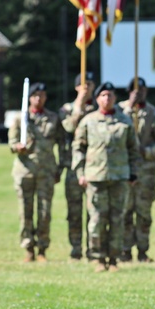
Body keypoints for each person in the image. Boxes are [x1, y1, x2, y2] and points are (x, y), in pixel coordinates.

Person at [72, 81, 140, 272]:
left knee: (117, 219)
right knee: (96, 220)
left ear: (115, 99)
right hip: (95, 177)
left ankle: (114, 258)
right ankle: (98, 257)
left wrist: (134, 172)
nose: (107, 98)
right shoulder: (88, 120)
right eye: (103, 95)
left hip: (120, 177)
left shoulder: (124, 121)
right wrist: (80, 173)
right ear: (97, 99)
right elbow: (78, 148)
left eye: (110, 95)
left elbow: (133, 149)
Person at [8, 81, 63, 262]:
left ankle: (42, 249)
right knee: (26, 211)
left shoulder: (53, 118)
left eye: (42, 96)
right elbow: (12, 143)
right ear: (29, 98)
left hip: (46, 170)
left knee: (45, 212)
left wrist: (60, 168)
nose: (39, 99)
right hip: (25, 171)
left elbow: (62, 144)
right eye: (35, 96)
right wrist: (18, 147)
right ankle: (28, 247)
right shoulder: (20, 119)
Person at [119, 77, 155, 262]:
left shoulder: (154, 114)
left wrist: (147, 152)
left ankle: (142, 251)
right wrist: (128, 107)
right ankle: (124, 250)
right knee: (124, 211)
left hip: (145, 172)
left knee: (143, 214)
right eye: (134, 89)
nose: (138, 92)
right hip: (123, 170)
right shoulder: (119, 110)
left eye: (141, 89)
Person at [59, 72, 96, 260]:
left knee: (94, 211)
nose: (87, 87)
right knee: (74, 211)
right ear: (76, 87)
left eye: (89, 84)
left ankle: (93, 248)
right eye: (83, 84)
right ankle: (75, 249)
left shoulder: (100, 108)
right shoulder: (67, 109)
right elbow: (69, 127)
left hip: (95, 166)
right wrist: (79, 106)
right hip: (74, 166)